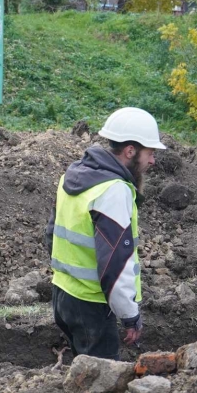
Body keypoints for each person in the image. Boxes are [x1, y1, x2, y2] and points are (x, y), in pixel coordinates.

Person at [46, 107, 165, 360]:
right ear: (130, 151)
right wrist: (129, 315)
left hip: (63, 295)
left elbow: (51, 234)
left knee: (83, 371)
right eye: (150, 153)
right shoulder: (113, 191)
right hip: (91, 306)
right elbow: (115, 263)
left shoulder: (73, 175)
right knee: (100, 384)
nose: (152, 161)